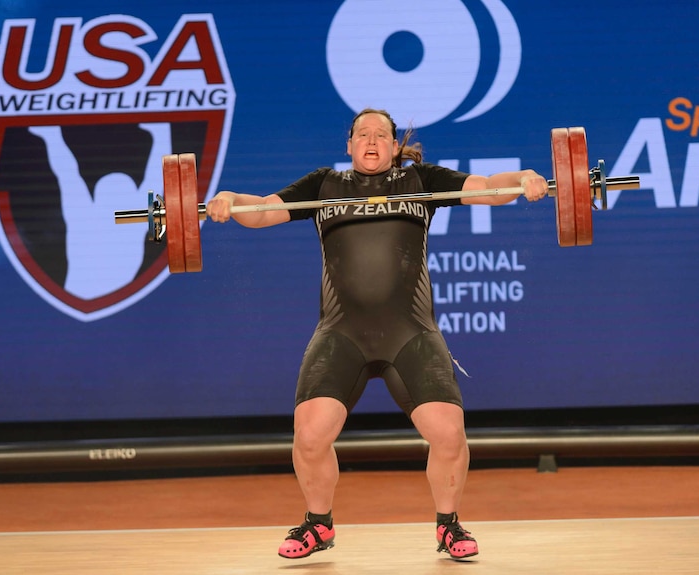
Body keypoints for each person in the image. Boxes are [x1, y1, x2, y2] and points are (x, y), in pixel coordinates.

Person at [206, 108, 548, 560]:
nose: (371, 140)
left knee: (448, 432)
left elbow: (487, 189)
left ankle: (449, 525)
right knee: (309, 435)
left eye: (381, 135)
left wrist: (523, 176)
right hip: (341, 333)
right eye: (362, 134)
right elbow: (265, 211)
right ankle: (318, 524)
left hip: (411, 333)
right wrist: (229, 199)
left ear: (393, 146)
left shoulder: (420, 181)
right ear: (349, 144)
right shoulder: (324, 186)